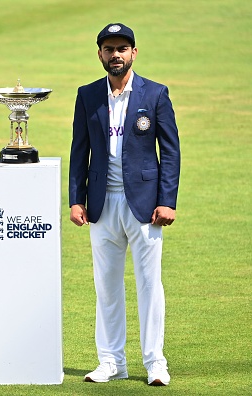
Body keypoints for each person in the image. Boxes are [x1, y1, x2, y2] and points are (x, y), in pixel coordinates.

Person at [69, 23, 180, 386]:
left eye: (122, 48)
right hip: (102, 205)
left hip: (145, 206)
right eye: (108, 48)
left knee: (150, 284)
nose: (115, 54)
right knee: (106, 285)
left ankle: (155, 363)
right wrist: (76, 199)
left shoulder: (156, 93)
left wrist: (167, 201)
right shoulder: (88, 95)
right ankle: (111, 361)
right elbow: (79, 151)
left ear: (134, 53)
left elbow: (171, 151)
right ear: (99, 54)